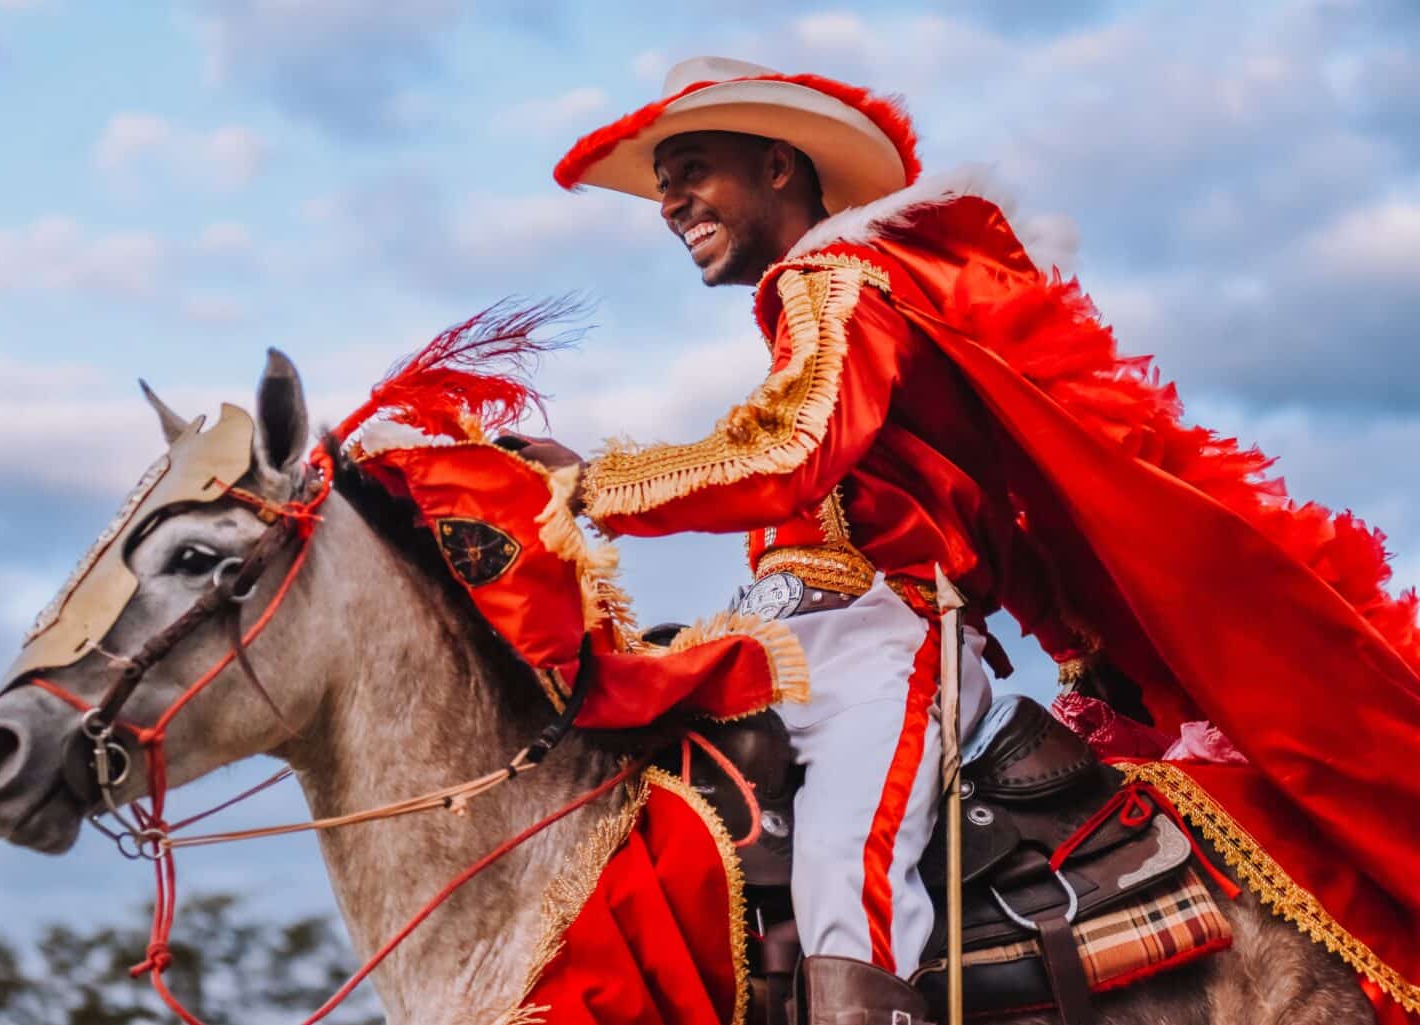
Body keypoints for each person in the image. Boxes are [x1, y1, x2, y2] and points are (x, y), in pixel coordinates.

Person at [514, 56, 1420, 1025]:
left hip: (881, 637)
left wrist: (588, 483)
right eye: (661, 183)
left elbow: (790, 448)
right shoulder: (826, 298)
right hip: (779, 641)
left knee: (839, 853)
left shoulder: (836, 282)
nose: (669, 201)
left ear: (779, 165)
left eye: (690, 167)